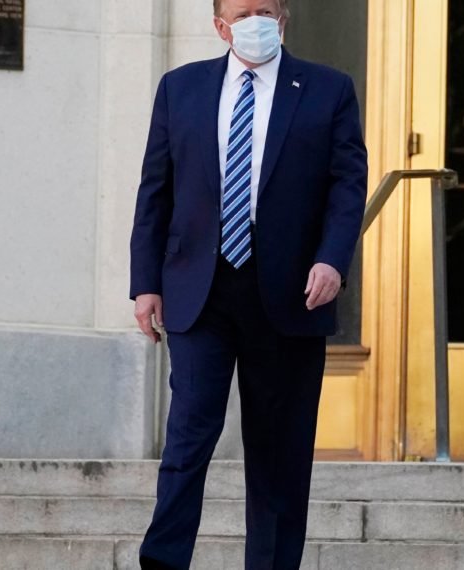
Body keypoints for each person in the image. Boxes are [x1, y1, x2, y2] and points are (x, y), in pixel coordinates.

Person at [128, 0, 368, 566]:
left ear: (283, 17)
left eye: (265, 9)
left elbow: (347, 185)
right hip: (199, 291)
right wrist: (145, 283)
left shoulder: (328, 90)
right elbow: (154, 191)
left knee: (278, 453)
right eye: (242, 12)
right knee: (188, 437)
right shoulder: (179, 89)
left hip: (289, 293)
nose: (255, 20)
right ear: (219, 25)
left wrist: (332, 260)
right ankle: (163, 561)